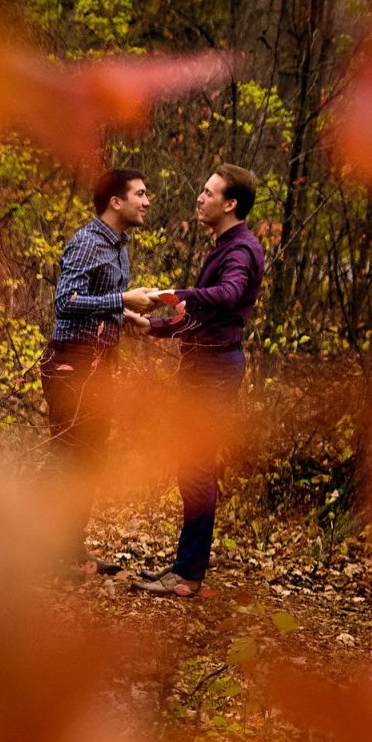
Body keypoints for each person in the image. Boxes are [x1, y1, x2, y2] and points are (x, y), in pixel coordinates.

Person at [121, 164, 266, 598]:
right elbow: (206, 317)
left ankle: (188, 576)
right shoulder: (225, 245)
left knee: (197, 470)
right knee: (192, 469)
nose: (199, 198)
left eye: (208, 191)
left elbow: (228, 295)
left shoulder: (241, 249)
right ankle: (185, 569)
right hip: (204, 365)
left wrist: (172, 295)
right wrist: (155, 327)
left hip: (214, 372)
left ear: (230, 203)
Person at [43, 166, 155, 563]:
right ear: (116, 201)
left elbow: (98, 302)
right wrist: (123, 301)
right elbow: (66, 303)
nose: (146, 201)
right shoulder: (88, 242)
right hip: (71, 360)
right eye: (140, 194)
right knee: (68, 457)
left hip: (101, 362)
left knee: (89, 459)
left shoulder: (119, 247)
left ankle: (71, 550)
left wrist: (129, 317)